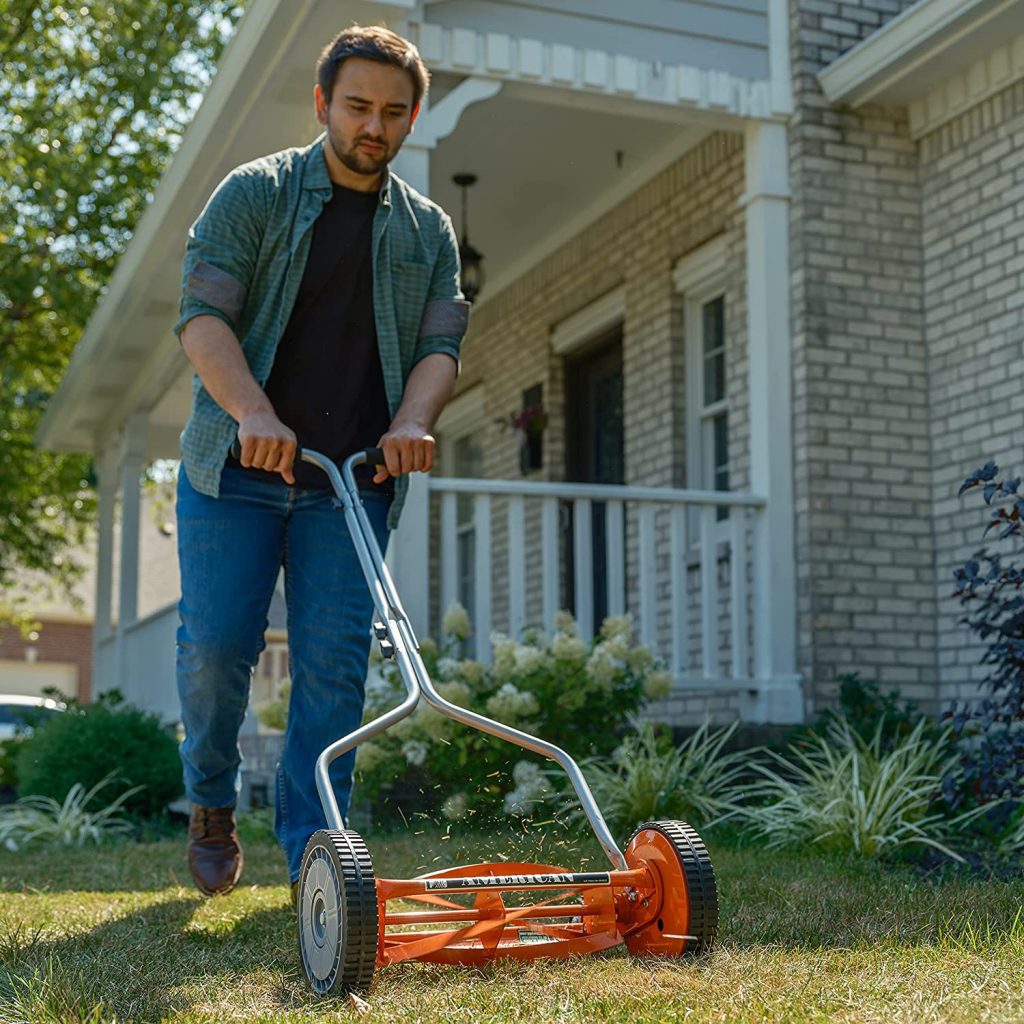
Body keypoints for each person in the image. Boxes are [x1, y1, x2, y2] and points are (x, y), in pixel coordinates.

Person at [172, 24, 467, 899]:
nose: (374, 126)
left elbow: (439, 344)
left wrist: (413, 421)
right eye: (358, 106)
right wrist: (255, 412)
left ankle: (314, 854)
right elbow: (201, 319)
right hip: (237, 472)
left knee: (335, 664)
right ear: (322, 104)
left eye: (393, 111)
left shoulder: (426, 233)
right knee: (218, 648)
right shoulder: (254, 195)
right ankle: (211, 803)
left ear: (412, 118)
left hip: (354, 483)